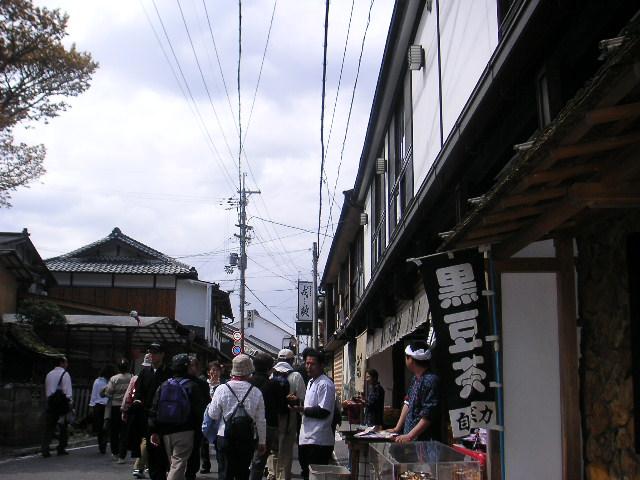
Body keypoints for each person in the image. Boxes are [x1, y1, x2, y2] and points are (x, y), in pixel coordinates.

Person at [207, 354, 266, 480]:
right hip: (246, 437)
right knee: (243, 473)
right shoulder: (256, 392)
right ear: (249, 372)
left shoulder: (221, 389)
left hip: (224, 436)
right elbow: (261, 420)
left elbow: (213, 414)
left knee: (225, 474)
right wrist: (262, 441)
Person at [149, 354, 206, 480]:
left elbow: (154, 409)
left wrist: (153, 430)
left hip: (165, 431)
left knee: (173, 464)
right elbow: (200, 411)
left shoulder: (164, 385)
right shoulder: (192, 386)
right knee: (178, 463)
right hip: (185, 430)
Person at [291, 350, 335, 480]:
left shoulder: (325, 384)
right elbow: (310, 405)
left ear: (321, 365)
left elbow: (324, 411)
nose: (308, 367)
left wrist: (301, 409)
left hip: (319, 440)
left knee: (316, 476)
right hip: (306, 438)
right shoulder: (311, 382)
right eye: (307, 363)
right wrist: (297, 403)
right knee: (306, 473)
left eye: (312, 364)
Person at [387, 342, 440, 443]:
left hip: (425, 440)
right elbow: (407, 402)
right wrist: (397, 428)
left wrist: (410, 436)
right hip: (410, 436)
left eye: (406, 357)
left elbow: (428, 414)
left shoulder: (431, 380)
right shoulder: (415, 378)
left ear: (410, 359)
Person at [135, 342, 171, 480]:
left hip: (164, 415)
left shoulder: (168, 372)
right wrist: (137, 402)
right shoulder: (145, 372)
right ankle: (153, 472)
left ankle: (164, 470)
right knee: (150, 445)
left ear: (162, 355)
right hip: (147, 415)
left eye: (155, 352)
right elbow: (138, 392)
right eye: (150, 352)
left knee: (163, 446)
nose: (152, 355)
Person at [268, 349, 306, 480]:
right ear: (291, 360)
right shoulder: (296, 375)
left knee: (273, 447)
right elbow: (302, 396)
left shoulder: (271, 374)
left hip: (273, 416)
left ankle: (272, 473)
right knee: (286, 446)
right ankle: (283, 476)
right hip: (290, 414)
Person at [249, 353, 280, 480]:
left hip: (247, 424)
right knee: (259, 461)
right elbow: (279, 406)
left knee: (246, 458)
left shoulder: (247, 382)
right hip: (268, 425)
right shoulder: (273, 384)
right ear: (269, 368)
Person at [123, 353, 153, 479]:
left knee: (143, 438)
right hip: (147, 411)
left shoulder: (136, 377)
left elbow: (129, 393)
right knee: (147, 438)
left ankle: (144, 465)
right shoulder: (155, 376)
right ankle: (140, 466)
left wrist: (124, 408)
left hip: (137, 410)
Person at [185, 356, 211, 480]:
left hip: (178, 422)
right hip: (196, 421)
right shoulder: (201, 384)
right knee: (194, 450)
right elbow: (207, 403)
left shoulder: (175, 381)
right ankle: (190, 474)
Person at [42, 356, 73, 457]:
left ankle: (45, 449)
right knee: (63, 427)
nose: (67, 364)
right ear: (61, 363)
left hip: (51, 403)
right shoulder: (65, 374)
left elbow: (47, 390)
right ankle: (61, 448)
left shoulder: (49, 374)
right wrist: (70, 404)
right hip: (62, 404)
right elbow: (67, 391)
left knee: (49, 427)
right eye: (66, 362)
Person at [104, 359, 133, 462]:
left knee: (114, 431)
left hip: (115, 407)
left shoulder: (114, 378)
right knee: (124, 431)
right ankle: (122, 456)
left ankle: (115, 452)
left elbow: (108, 393)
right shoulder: (132, 378)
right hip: (127, 408)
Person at [200, 361, 222, 474]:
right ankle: (205, 464)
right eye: (213, 370)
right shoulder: (204, 384)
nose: (215, 372)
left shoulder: (223, 385)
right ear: (208, 372)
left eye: (217, 370)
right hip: (205, 415)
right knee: (204, 441)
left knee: (218, 440)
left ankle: (220, 463)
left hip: (219, 416)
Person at [89, 364, 115, 454]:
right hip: (108, 406)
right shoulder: (111, 382)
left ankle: (101, 445)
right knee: (107, 425)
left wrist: (91, 406)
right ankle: (105, 443)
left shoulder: (97, 381)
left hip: (98, 406)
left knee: (100, 426)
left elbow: (93, 395)